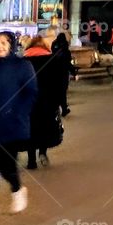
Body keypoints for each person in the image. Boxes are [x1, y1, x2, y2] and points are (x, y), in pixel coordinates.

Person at [0, 32, 37, 224]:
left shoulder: (22, 66)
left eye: (5, 43)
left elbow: (30, 94)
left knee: (7, 168)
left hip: (10, 126)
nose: (0, 46)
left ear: (12, 45)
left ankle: (17, 189)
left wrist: (18, 113)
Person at [22, 36, 66, 170]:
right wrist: (60, 100)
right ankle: (42, 152)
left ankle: (31, 161)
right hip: (47, 101)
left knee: (30, 130)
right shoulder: (53, 60)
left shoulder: (23, 61)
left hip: (28, 102)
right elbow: (60, 83)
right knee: (45, 127)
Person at [50, 31, 73, 116]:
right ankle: (64, 109)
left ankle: (55, 109)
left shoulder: (54, 46)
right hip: (63, 73)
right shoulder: (66, 51)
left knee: (55, 91)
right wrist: (74, 72)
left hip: (54, 73)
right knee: (63, 92)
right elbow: (68, 63)